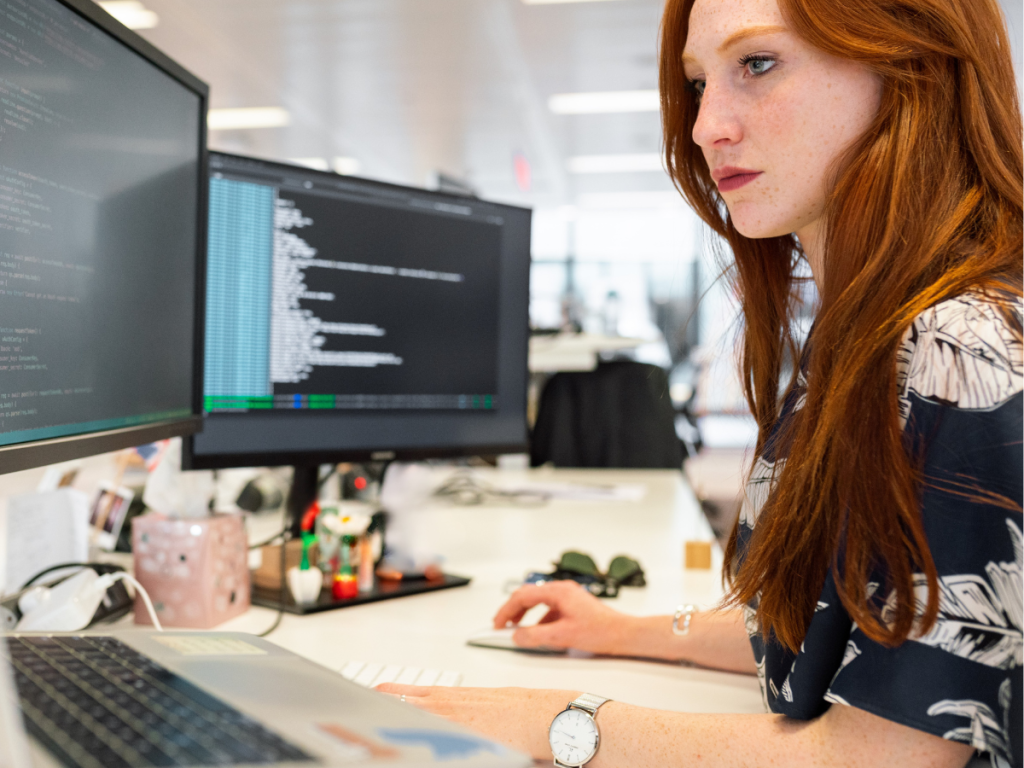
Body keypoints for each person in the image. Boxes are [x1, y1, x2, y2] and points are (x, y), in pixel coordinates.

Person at [380, 0, 1023, 764]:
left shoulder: (962, 348)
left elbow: (884, 754)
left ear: (910, 65)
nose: (704, 125)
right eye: (696, 84)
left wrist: (555, 723)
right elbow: (837, 633)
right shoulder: (865, 335)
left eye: (757, 64)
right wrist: (618, 632)